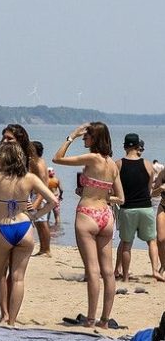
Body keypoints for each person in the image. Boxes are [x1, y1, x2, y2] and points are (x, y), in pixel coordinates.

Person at [52, 122, 124, 328]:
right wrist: (103, 195)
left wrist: (71, 136)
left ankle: (91, 319)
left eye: (86, 136)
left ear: (95, 139)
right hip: (106, 216)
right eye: (82, 136)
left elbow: (57, 158)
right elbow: (121, 198)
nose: (84, 139)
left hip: (87, 215)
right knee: (108, 271)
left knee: (92, 270)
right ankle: (104, 319)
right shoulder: (112, 165)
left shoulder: (92, 158)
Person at [0, 142, 57, 325]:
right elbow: (53, 201)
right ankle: (12, 322)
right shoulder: (30, 178)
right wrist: (36, 215)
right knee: (18, 279)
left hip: (4, 227)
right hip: (24, 227)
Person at [114, 133, 163, 282]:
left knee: (127, 244)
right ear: (137, 147)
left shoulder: (118, 164)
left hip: (127, 208)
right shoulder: (148, 164)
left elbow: (115, 188)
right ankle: (155, 270)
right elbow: (150, 190)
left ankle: (126, 276)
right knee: (152, 241)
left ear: (124, 147)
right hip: (146, 207)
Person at [30, 141, 53, 257]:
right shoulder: (39, 161)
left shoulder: (38, 164)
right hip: (40, 194)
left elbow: (42, 183)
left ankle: (46, 249)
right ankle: (43, 248)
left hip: (39, 195)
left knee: (42, 223)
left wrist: (37, 201)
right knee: (40, 223)